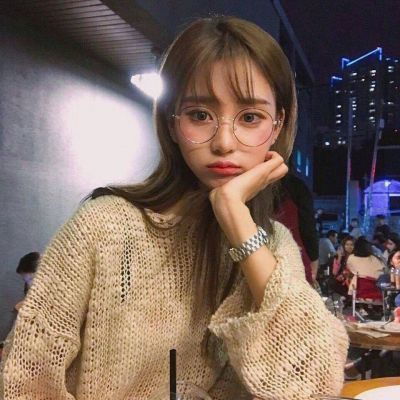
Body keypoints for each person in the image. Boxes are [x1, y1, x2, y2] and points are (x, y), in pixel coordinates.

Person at [0, 16, 348, 400]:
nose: (224, 142)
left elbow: (316, 385)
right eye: (200, 115)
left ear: (277, 126)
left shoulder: (274, 243)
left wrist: (235, 216)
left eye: (250, 117)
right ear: (172, 123)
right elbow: (24, 384)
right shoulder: (103, 227)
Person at [274, 172, 319, 285]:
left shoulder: (246, 189)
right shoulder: (294, 186)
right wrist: (314, 259)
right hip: (294, 262)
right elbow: (308, 228)